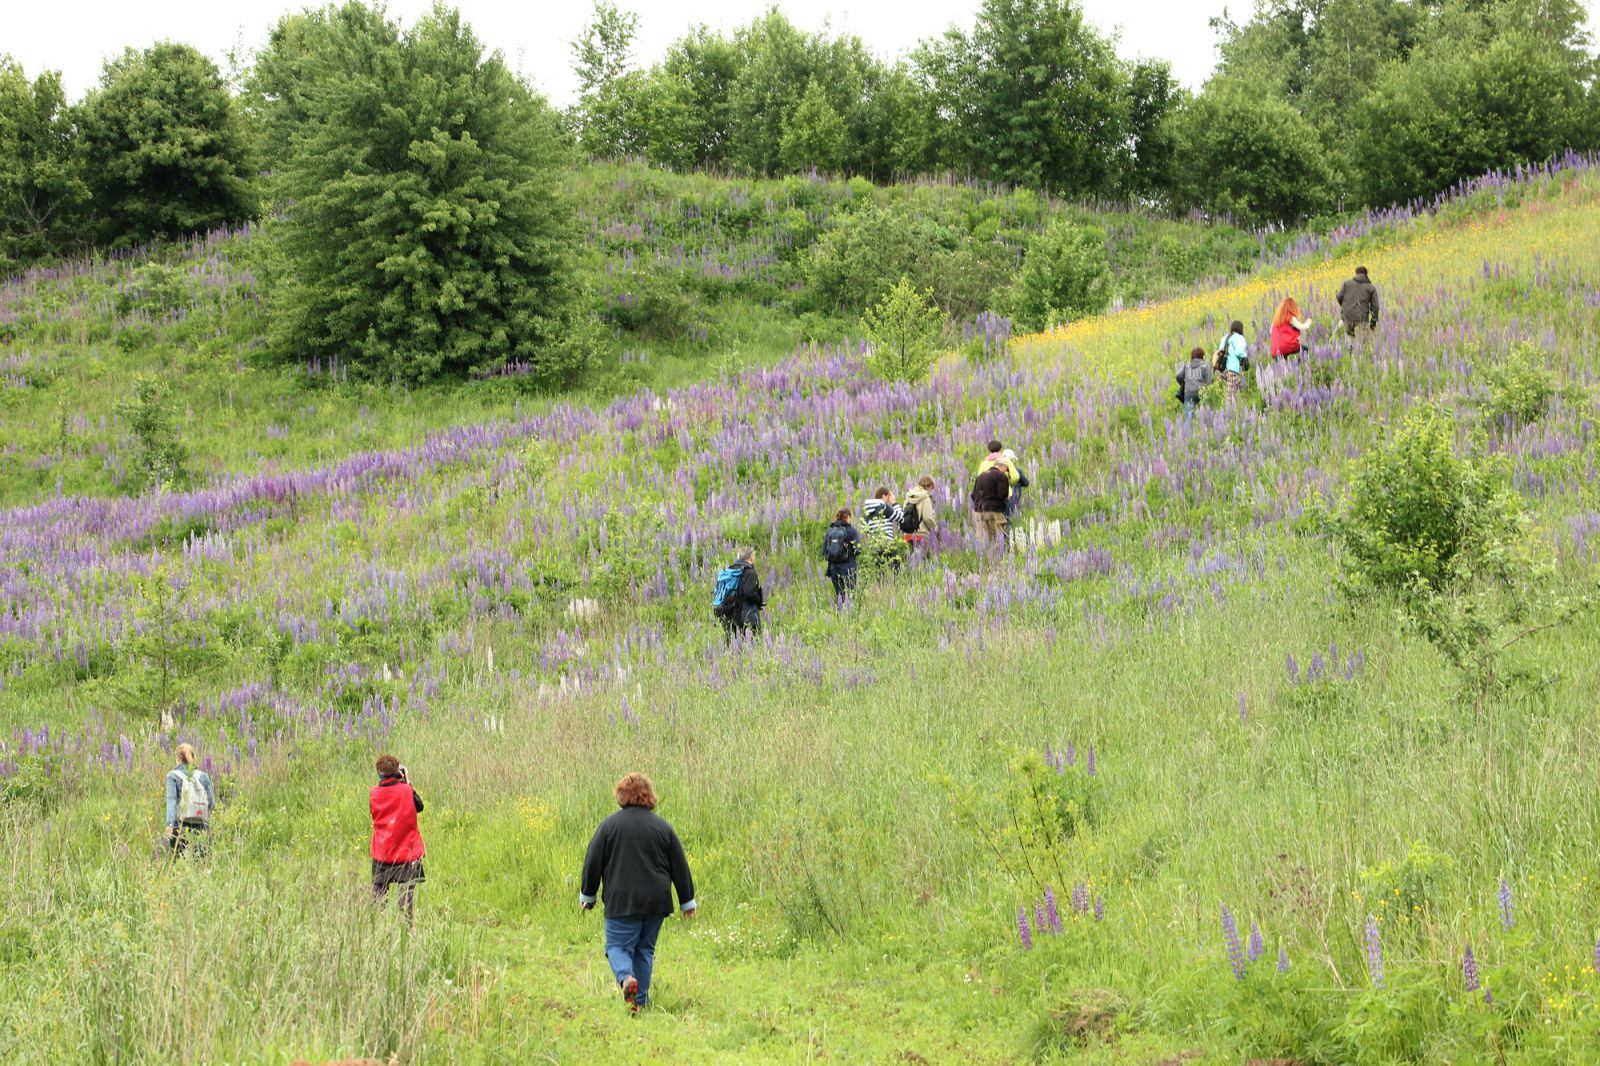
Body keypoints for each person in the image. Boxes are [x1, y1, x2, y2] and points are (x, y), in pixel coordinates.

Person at [580, 772, 697, 1014]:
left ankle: (626, 979)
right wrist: (687, 902)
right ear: (649, 797)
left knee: (617, 947)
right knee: (644, 950)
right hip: (656, 902)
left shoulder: (609, 826)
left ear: (621, 796)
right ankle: (639, 1003)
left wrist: (588, 896)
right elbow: (680, 865)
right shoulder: (663, 827)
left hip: (622, 902)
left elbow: (593, 862)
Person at [370, 753, 425, 923]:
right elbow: (419, 806)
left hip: (382, 851)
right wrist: (407, 782)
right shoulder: (406, 791)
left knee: (379, 894)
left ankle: (376, 926)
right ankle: (406, 927)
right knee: (405, 895)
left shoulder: (374, 794)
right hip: (406, 850)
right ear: (397, 772)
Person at [164, 743, 216, 860]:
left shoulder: (173, 776)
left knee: (178, 863)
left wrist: (169, 825)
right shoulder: (203, 776)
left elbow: (171, 801)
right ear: (192, 758)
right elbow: (212, 804)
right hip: (201, 825)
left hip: (179, 825)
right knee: (200, 862)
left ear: (177, 758)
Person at [712, 547, 764, 639]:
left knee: (733, 646)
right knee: (754, 643)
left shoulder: (731, 571)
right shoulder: (750, 573)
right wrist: (759, 599)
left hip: (729, 615)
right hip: (747, 615)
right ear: (751, 558)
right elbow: (749, 593)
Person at [861, 487, 907, 570]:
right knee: (895, 570)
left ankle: (882, 583)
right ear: (884, 496)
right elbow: (900, 517)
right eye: (888, 496)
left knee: (880, 572)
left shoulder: (868, 510)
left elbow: (864, 527)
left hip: (874, 546)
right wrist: (894, 503)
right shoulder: (884, 507)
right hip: (887, 545)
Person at [821, 508, 861, 601]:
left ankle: (840, 613)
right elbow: (858, 550)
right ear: (847, 517)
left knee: (840, 596)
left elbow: (824, 551)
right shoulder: (852, 531)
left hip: (833, 568)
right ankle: (850, 614)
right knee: (851, 595)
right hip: (848, 568)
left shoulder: (830, 531)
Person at [1336, 266, 1379, 345]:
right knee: (1363, 343)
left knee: (1349, 341)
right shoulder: (1371, 288)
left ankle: (1350, 355)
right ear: (1366, 274)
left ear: (1356, 274)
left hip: (1347, 316)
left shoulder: (1347, 283)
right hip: (1361, 318)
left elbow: (1339, 296)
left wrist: (1345, 307)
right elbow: (1375, 308)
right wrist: (1373, 324)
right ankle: (1361, 355)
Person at [971, 456, 1011, 542]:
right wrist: (1006, 498)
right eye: (1006, 469)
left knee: (982, 540)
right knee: (998, 538)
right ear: (1003, 466)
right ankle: (998, 555)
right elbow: (1003, 495)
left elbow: (973, 495)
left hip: (979, 511)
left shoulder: (981, 476)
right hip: (994, 511)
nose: (1005, 472)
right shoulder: (1001, 476)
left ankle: (984, 555)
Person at [1174, 346, 1214, 425]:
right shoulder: (1204, 367)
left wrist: (1185, 383)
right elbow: (1209, 383)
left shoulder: (1187, 366)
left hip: (1188, 394)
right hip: (1201, 394)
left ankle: (1186, 436)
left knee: (1188, 418)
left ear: (1192, 356)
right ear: (1202, 356)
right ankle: (1203, 433)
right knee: (1204, 417)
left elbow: (1178, 376)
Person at [1214, 320, 1249, 395]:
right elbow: (1239, 352)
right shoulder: (1240, 338)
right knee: (1231, 397)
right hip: (1233, 369)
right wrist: (1246, 355)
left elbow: (1220, 350)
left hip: (1223, 369)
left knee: (1227, 393)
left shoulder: (1225, 337)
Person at [901, 476, 938, 546]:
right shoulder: (925, 497)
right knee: (924, 556)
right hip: (921, 535)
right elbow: (927, 518)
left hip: (907, 535)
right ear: (928, 486)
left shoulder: (909, 496)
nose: (931, 492)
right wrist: (935, 529)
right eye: (931, 489)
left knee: (911, 556)